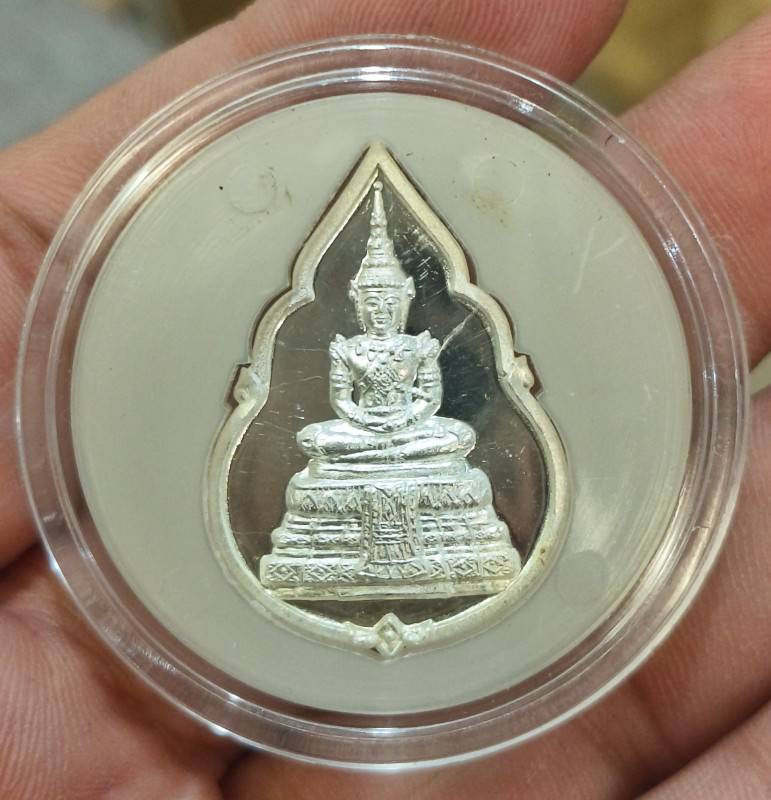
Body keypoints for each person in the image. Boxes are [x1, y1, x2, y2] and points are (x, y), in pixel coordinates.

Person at [0, 1, 769, 796]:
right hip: (357, 448)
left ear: (401, 300)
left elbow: (430, 409)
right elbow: (340, 412)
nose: (378, 314)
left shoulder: (412, 346)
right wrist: (370, 423)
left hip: (413, 445)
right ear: (358, 302)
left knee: (452, 446)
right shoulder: (348, 346)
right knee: (321, 449)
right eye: (369, 303)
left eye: (387, 303)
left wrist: (403, 422)